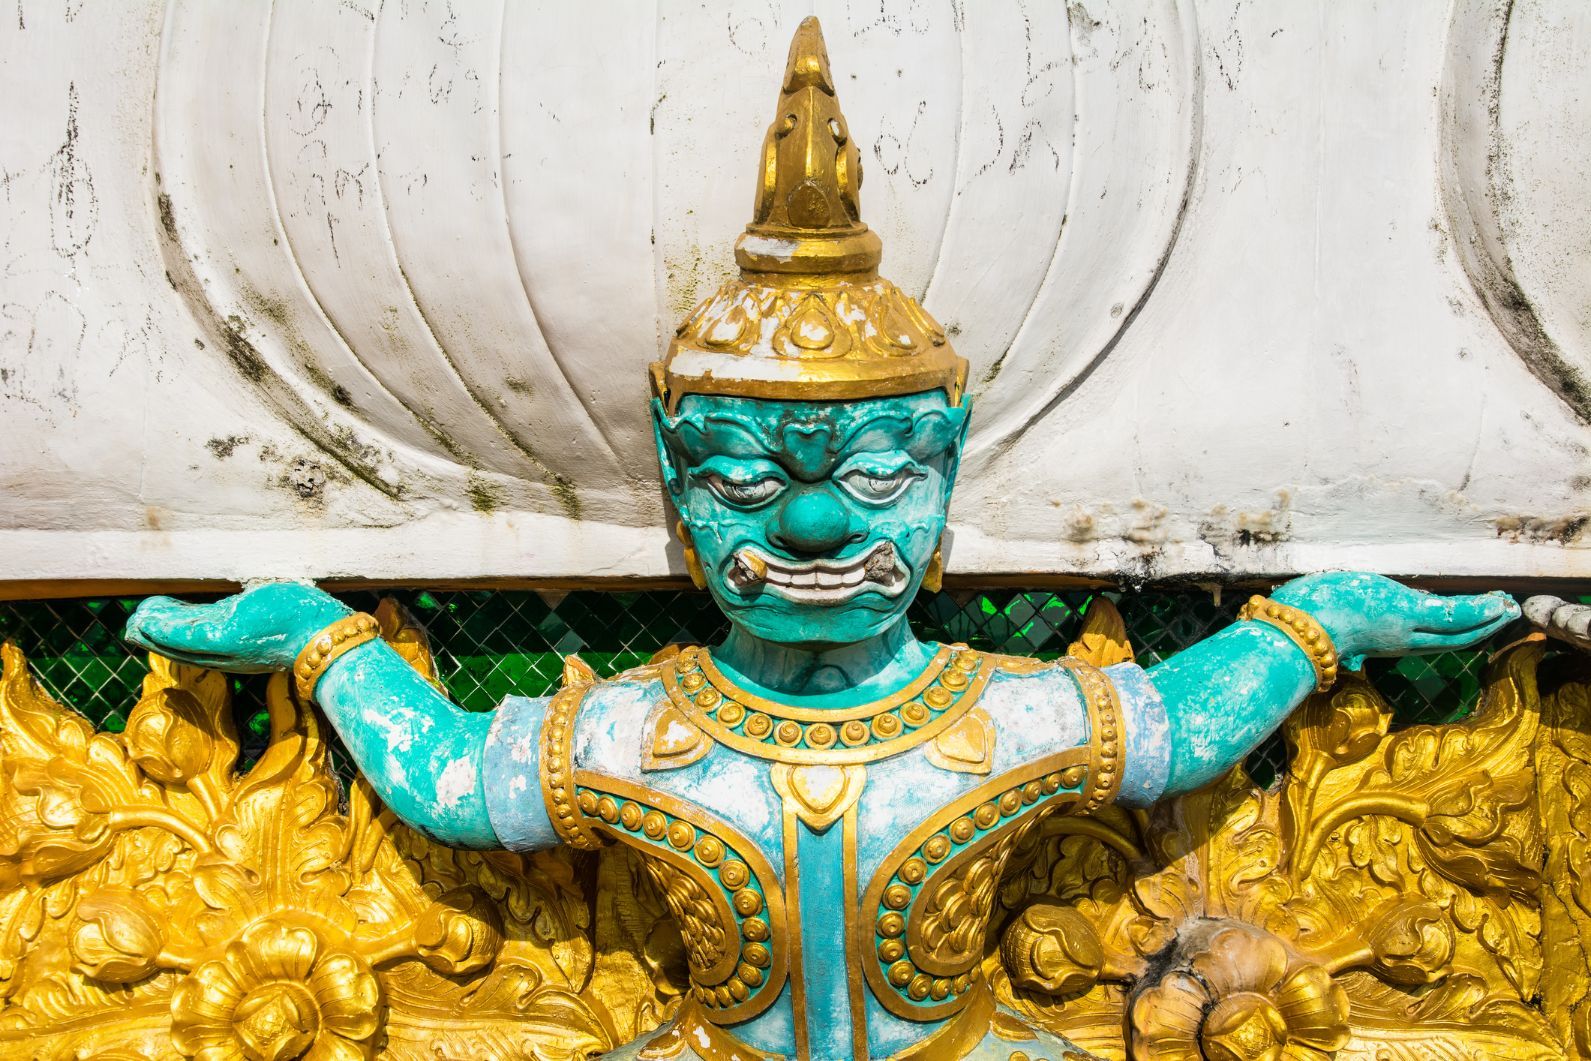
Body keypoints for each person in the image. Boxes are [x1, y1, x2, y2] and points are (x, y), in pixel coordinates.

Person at [126, 19, 1518, 1061]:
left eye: (868, 475)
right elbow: (442, 781)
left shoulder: (1003, 714)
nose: (806, 521)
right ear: (678, 477)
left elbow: (1181, 721)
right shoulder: (639, 731)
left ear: (947, 459)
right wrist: (317, 638)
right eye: (741, 478)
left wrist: (1325, 621)